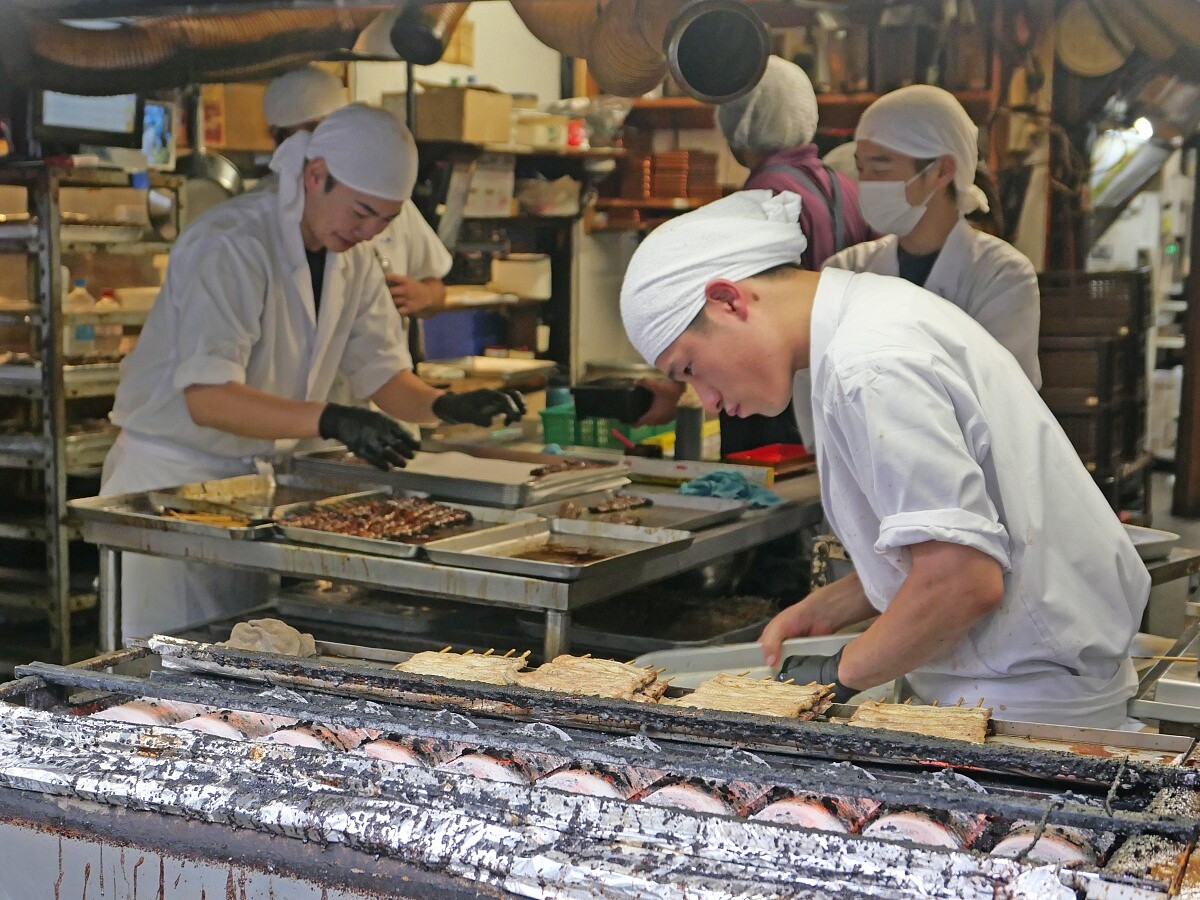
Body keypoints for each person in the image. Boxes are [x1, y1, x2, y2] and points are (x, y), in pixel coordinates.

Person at [619, 189, 1148, 728]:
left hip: (1022, 707)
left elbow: (963, 580)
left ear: (729, 300)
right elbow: (968, 536)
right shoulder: (872, 315)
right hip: (1012, 686)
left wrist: (834, 674)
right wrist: (835, 604)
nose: (706, 400)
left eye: (689, 368)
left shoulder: (870, 363)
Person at [102, 103, 524, 640]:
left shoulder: (352, 257)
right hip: (169, 492)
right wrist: (330, 419)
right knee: (155, 685)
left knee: (238, 679)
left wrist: (444, 405)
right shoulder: (232, 243)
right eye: (361, 212)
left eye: (385, 221)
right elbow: (208, 399)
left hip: (250, 498)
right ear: (315, 175)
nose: (369, 232)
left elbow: (383, 375)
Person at [637, 56, 871, 458]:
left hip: (771, 393)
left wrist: (681, 375)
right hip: (831, 383)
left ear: (738, 124)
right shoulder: (843, 185)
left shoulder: (765, 194)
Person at [824, 85, 1041, 388]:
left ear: (941, 171)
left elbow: (1004, 395)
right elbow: (820, 382)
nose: (866, 183)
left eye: (880, 168)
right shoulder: (845, 270)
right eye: (862, 169)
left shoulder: (1001, 275)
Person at [262, 65, 451, 354]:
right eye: (315, 131)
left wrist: (423, 296)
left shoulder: (384, 204)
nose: (367, 232)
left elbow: (380, 367)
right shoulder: (251, 230)